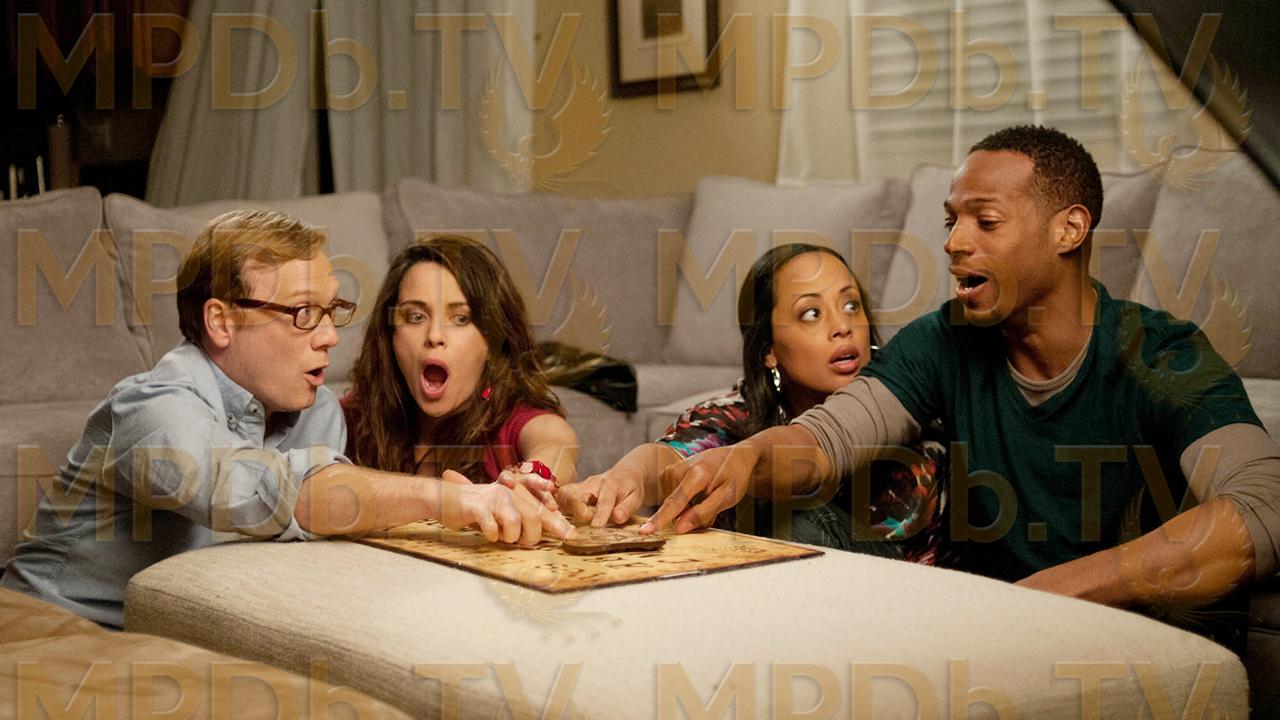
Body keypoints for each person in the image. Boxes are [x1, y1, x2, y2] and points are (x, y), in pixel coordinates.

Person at [644, 126, 1280, 614]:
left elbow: (1265, 504)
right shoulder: (944, 338)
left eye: (986, 221)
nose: (952, 242)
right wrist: (746, 459)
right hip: (979, 626)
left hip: (1118, 630)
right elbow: (826, 439)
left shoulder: (1162, 353)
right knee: (783, 520)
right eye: (951, 221)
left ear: (1069, 229)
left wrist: (1037, 600)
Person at [2, 211, 573, 627]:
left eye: (331, 311)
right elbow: (264, 490)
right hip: (58, 636)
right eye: (303, 313)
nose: (329, 337)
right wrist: (450, 498)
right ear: (221, 322)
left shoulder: (316, 411)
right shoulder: (151, 412)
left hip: (193, 643)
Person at [560, 244, 947, 561]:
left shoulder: (906, 405)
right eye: (811, 313)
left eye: (851, 306)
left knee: (791, 517)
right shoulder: (738, 412)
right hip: (772, 600)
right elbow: (671, 458)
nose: (843, 327)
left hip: (900, 593)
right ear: (768, 350)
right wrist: (625, 477)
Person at [343, 237, 579, 508]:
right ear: (390, 336)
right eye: (416, 317)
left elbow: (555, 442)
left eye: (461, 318)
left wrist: (532, 480)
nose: (434, 335)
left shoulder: (514, 420)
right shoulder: (356, 417)